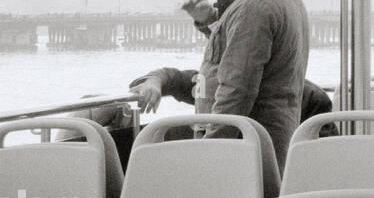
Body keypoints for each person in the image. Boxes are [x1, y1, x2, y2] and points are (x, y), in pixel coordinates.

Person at [178, 0, 310, 169]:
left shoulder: (253, 5)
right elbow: (248, 52)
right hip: (271, 146)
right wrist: (210, 21)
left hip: (244, 156)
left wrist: (210, 154)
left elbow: (236, 91)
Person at [129, 67, 335, 137]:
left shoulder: (311, 99)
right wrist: (155, 80)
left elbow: (322, 167)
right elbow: (179, 79)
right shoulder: (223, 84)